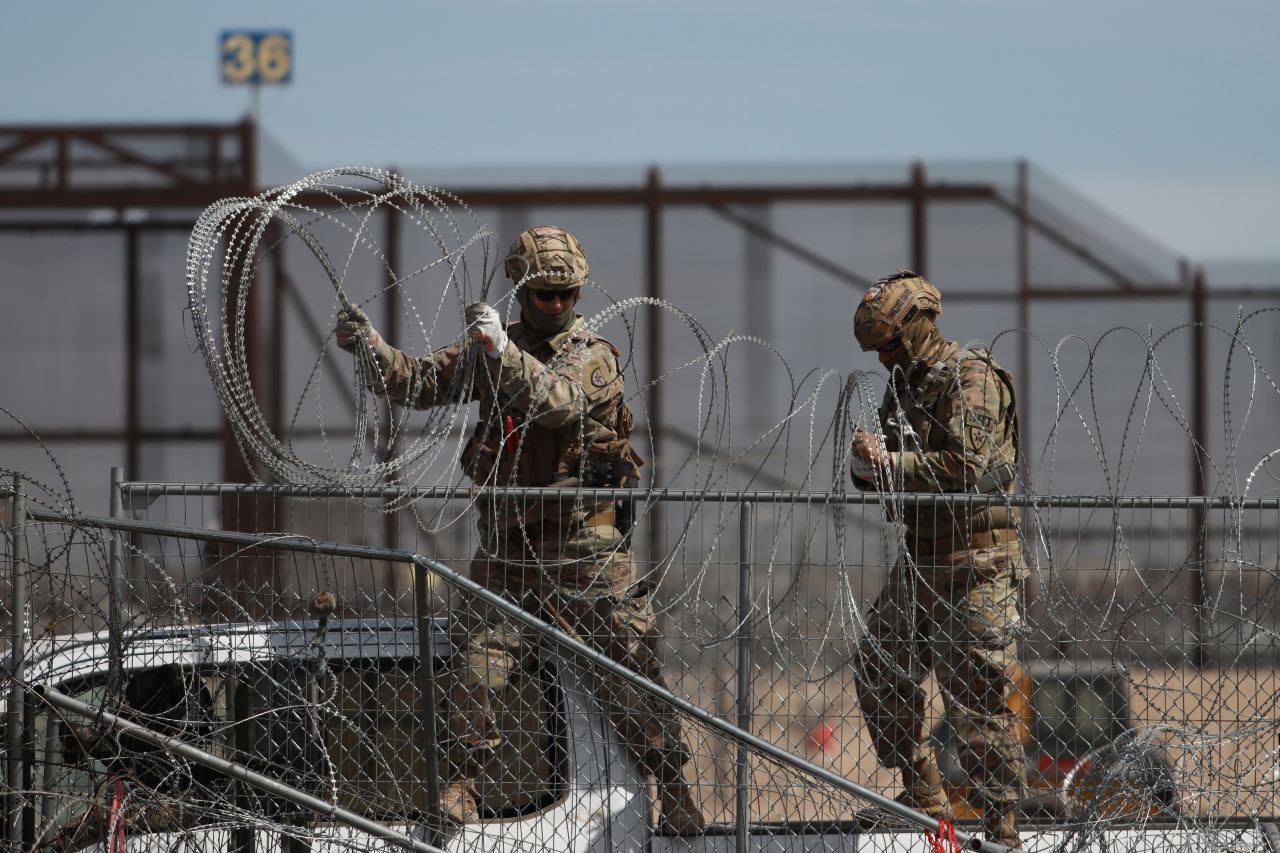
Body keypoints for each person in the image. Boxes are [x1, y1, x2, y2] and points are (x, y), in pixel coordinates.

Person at [335, 225, 705, 835]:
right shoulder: (491, 349)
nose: (557, 306)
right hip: (512, 545)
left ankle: (674, 788)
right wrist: (371, 346)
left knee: (627, 669)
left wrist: (499, 353)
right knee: (480, 658)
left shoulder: (592, 356)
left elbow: (556, 402)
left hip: (584, 549)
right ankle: (461, 781)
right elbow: (419, 382)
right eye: (544, 296)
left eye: (567, 295)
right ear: (522, 291)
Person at [848, 271, 1026, 849]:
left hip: (975, 562)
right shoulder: (902, 387)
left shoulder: (969, 376)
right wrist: (868, 464)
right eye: (877, 352)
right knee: (879, 663)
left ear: (921, 325)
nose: (883, 360)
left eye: (891, 346)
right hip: (922, 558)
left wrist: (893, 463)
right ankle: (924, 789)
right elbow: (889, 479)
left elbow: (972, 470)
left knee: (977, 697)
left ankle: (1001, 826)